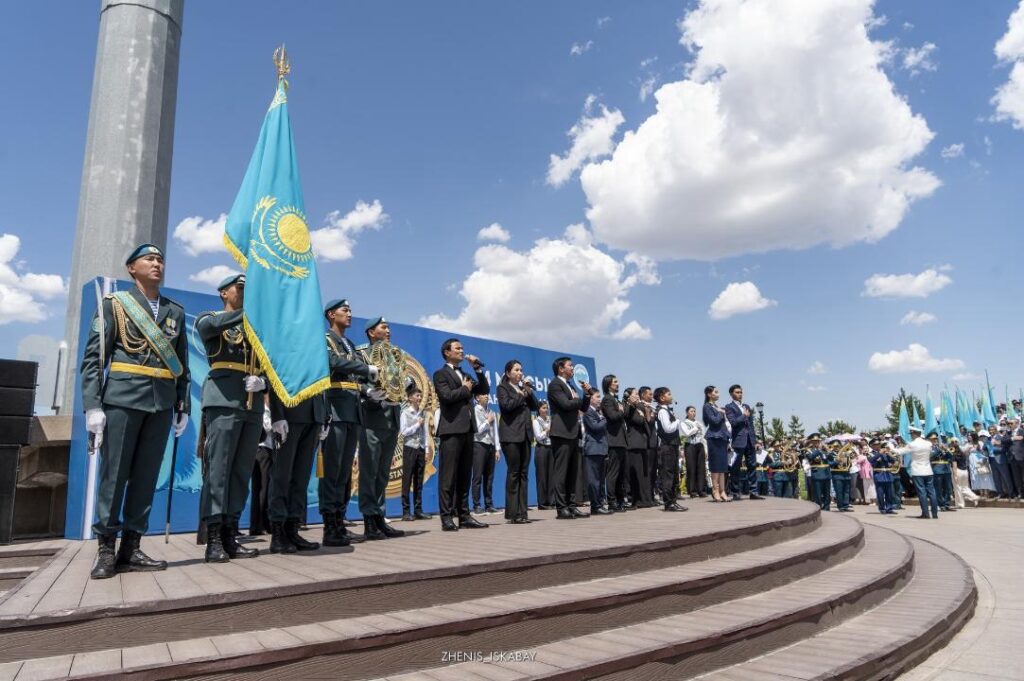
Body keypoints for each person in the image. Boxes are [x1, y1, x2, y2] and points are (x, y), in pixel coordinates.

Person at [80, 244, 190, 579]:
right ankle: (105, 550)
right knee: (114, 478)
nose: (157, 264)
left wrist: (181, 403)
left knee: (145, 478)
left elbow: (181, 364)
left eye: (160, 260)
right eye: (150, 259)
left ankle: (132, 546)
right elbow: (94, 359)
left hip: (160, 404)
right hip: (123, 401)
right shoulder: (115, 305)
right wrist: (93, 406)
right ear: (132, 268)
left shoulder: (175, 311)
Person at [195, 274, 264, 562]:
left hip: (252, 402)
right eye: (241, 288)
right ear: (224, 293)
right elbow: (211, 326)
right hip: (223, 399)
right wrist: (251, 313)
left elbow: (270, 363)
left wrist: (265, 384)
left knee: (241, 472)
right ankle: (213, 537)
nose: (246, 292)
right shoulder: (209, 318)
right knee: (220, 470)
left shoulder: (256, 328)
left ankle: (230, 533)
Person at [320, 299, 377, 546]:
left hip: (353, 411)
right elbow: (332, 363)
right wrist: (364, 369)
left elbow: (354, 375)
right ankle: (329, 526)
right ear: (332, 315)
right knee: (332, 471)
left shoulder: (349, 344)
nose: (350, 314)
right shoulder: (325, 339)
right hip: (335, 409)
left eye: (351, 310)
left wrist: (366, 391)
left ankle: (340, 522)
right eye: (345, 310)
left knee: (344, 473)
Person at [354, 317, 405, 541]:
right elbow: (355, 378)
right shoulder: (362, 353)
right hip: (372, 417)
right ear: (371, 333)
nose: (388, 330)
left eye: (388, 327)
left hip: (392, 417)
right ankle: (369, 520)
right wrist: (367, 392)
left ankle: (380, 518)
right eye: (383, 327)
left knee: (383, 473)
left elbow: (400, 379)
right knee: (370, 471)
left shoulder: (395, 354)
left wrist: (407, 385)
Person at [432, 338, 490, 531]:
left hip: (468, 429)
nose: (461, 350)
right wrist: (465, 389)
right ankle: (446, 517)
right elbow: (447, 397)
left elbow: (483, 389)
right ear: (447, 352)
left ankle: (464, 515)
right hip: (451, 430)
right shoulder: (440, 374)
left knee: (465, 475)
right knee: (448, 476)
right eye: (457, 348)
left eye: (462, 348)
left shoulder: (465, 373)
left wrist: (478, 369)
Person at [548, 357, 592, 519]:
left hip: (573, 433)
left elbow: (584, 407)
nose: (572, 368)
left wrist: (586, 395)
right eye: (570, 366)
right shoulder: (555, 385)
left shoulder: (570, 385)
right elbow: (566, 405)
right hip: (561, 433)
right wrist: (577, 400)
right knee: (561, 472)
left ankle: (572, 506)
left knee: (573, 472)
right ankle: (561, 508)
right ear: (561, 368)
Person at [497, 360, 541, 524]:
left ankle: (523, 512)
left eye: (521, 370)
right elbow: (506, 406)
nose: (520, 373)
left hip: (525, 436)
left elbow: (536, 406)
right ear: (508, 373)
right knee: (514, 473)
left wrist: (528, 390)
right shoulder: (503, 388)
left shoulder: (524, 388)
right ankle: (513, 513)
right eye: (516, 370)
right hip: (511, 436)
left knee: (523, 473)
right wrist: (520, 394)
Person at [725, 385, 764, 501]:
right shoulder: (729, 407)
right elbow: (733, 422)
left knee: (752, 466)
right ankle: (735, 492)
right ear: (731, 394)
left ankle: (753, 491)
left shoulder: (746, 406)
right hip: (738, 441)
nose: (740, 394)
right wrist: (743, 416)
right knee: (735, 467)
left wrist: (755, 440)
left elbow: (751, 425)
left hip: (750, 441)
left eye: (741, 392)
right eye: (737, 392)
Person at [399, 385, 432, 521]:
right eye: (417, 396)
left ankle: (418, 510)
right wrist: (417, 425)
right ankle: (406, 511)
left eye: (420, 396)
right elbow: (404, 432)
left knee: (419, 480)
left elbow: (425, 432)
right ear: (410, 398)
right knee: (407, 479)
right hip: (409, 448)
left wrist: (426, 448)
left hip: (420, 449)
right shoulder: (405, 413)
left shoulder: (422, 413)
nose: (419, 398)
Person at [653, 387, 687, 512]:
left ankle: (673, 500)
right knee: (668, 475)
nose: (671, 396)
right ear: (662, 397)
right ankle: (668, 503)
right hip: (666, 447)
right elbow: (667, 428)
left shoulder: (667, 410)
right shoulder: (662, 411)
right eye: (669, 394)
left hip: (672, 446)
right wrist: (677, 421)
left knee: (673, 474)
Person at [601, 375, 631, 512]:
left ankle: (620, 500)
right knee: (613, 473)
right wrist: (621, 410)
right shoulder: (607, 399)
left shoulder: (616, 399)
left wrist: (625, 407)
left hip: (621, 441)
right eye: (615, 382)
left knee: (621, 473)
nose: (618, 384)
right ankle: (612, 501)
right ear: (608, 384)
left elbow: (623, 415)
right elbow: (613, 417)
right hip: (614, 441)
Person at [897, 425, 938, 519]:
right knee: (932, 492)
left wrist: (891, 447)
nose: (911, 436)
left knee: (922, 493)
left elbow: (900, 452)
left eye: (911, 434)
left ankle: (925, 513)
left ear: (914, 434)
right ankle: (935, 514)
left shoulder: (913, 444)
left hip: (917, 471)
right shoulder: (928, 444)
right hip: (928, 470)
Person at [624, 388, 655, 508]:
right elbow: (637, 420)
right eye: (635, 394)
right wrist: (643, 415)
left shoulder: (640, 407)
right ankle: (637, 499)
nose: (637, 396)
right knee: (636, 473)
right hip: (634, 443)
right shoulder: (629, 408)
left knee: (644, 473)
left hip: (643, 443)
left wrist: (646, 413)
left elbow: (649, 421)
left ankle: (646, 499)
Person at [582, 390, 612, 515]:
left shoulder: (598, 413)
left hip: (601, 449)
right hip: (593, 449)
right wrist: (606, 418)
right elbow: (595, 427)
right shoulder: (588, 412)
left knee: (600, 479)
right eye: (597, 397)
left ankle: (599, 503)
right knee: (593, 480)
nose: (600, 399)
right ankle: (595, 506)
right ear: (591, 399)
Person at [249, 401, 274, 536]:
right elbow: (267, 427)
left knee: (266, 488)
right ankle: (258, 525)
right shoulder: (263, 409)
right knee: (261, 488)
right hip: (262, 449)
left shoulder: (269, 409)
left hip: (268, 448)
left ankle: (263, 523)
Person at [471, 394, 499, 514]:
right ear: (477, 398)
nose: (487, 397)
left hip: (490, 445)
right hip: (479, 444)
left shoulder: (491, 411)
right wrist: (488, 421)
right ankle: (477, 505)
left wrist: (497, 448)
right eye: (483, 395)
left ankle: (489, 504)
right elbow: (477, 429)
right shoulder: (475, 410)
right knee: (477, 476)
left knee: (489, 476)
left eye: (487, 395)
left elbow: (495, 431)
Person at [703, 386, 730, 502]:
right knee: (715, 466)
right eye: (716, 392)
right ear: (709, 394)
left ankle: (723, 491)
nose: (718, 394)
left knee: (723, 466)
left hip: (722, 437)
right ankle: (715, 490)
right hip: (714, 437)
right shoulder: (707, 406)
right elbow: (713, 421)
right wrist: (720, 413)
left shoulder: (717, 406)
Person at [680, 406, 707, 499]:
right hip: (690, 445)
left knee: (701, 468)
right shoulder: (684, 423)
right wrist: (695, 429)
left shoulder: (698, 422)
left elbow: (703, 435)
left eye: (694, 411)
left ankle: (701, 490)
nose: (693, 413)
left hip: (699, 445)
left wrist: (706, 449)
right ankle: (692, 491)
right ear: (687, 413)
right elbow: (686, 433)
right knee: (691, 468)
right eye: (691, 411)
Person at [533, 401, 553, 509]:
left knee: (551, 475)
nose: (546, 410)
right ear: (539, 409)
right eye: (544, 408)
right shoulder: (536, 421)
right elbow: (539, 436)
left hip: (551, 448)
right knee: (542, 476)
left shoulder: (550, 419)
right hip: (541, 449)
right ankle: (542, 502)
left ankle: (551, 500)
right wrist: (547, 431)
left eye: (547, 408)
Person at [868, 440, 897, 515]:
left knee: (889, 493)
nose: (878, 446)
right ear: (872, 446)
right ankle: (882, 508)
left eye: (878, 444)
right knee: (880, 493)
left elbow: (893, 461)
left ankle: (889, 508)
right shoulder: (871, 454)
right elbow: (871, 461)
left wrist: (889, 454)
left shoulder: (885, 453)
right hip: (879, 474)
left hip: (887, 474)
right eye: (876, 444)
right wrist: (879, 454)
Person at [805, 434, 832, 511]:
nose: (816, 443)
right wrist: (818, 450)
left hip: (826, 473)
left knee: (827, 493)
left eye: (818, 441)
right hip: (817, 474)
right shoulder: (809, 450)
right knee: (818, 493)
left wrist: (828, 450)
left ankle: (827, 507)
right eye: (814, 441)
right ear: (811, 442)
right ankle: (819, 507)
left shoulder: (824, 450)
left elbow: (831, 458)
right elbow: (810, 457)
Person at [928, 433, 955, 512]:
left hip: (946, 469)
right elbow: (930, 457)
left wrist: (946, 450)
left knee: (948, 488)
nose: (935, 440)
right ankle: (941, 504)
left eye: (936, 439)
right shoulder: (929, 448)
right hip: (937, 469)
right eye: (933, 439)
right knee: (939, 489)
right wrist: (939, 450)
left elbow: (951, 456)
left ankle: (947, 504)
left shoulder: (944, 446)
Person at [950, 441, 979, 508]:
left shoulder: (954, 455)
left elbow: (954, 466)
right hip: (965, 471)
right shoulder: (963, 454)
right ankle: (974, 497)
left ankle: (960, 504)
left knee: (958, 488)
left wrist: (955, 475)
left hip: (958, 471)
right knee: (965, 487)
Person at [968, 432, 996, 497]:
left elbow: (983, 451)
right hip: (972, 461)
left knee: (984, 476)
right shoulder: (968, 444)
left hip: (980, 460)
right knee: (976, 476)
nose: (969, 437)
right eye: (968, 436)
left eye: (970, 436)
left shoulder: (980, 443)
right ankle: (981, 492)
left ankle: (986, 492)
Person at [829, 445, 854, 512]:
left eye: (838, 446)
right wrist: (836, 461)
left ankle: (846, 506)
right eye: (835, 446)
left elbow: (849, 465)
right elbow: (829, 464)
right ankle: (840, 506)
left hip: (846, 474)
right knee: (839, 491)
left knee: (846, 491)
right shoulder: (831, 454)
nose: (837, 448)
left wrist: (849, 460)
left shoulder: (845, 454)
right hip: (837, 474)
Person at [1009, 417, 1024, 500]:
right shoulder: (1009, 432)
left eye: (1011, 423)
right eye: (1009, 424)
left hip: (1021, 457)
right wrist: (1013, 438)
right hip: (1013, 458)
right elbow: (1005, 440)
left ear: (1017, 423)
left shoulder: (1021, 430)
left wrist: (1019, 437)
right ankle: (1020, 493)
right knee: (1017, 477)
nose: (1010, 425)